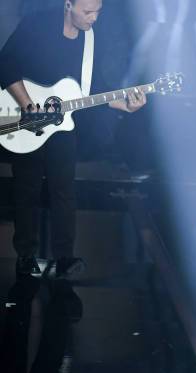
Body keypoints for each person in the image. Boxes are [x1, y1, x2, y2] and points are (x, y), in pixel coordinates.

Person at [0, 0, 146, 278]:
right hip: (26, 120)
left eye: (98, 12)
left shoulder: (91, 39)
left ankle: (64, 258)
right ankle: (26, 258)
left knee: (64, 192)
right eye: (87, 12)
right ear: (68, 5)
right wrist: (29, 107)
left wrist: (125, 105)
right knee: (26, 191)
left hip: (62, 127)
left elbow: (94, 90)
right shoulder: (36, 25)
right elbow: (5, 64)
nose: (93, 18)